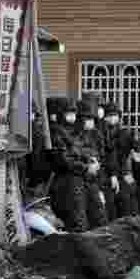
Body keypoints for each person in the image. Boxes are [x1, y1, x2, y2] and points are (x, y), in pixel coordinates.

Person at [48, 98, 89, 232]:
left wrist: (87, 161)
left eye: (73, 113)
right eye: (68, 113)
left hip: (77, 180)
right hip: (66, 182)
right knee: (75, 221)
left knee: (80, 219)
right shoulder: (56, 132)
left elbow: (80, 153)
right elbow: (64, 160)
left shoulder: (72, 132)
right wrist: (85, 167)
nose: (72, 116)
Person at [76, 99, 107, 228]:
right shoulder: (75, 135)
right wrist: (89, 161)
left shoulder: (96, 135)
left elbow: (102, 156)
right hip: (80, 181)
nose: (91, 122)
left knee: (100, 216)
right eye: (88, 119)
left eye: (92, 119)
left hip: (94, 181)